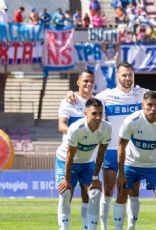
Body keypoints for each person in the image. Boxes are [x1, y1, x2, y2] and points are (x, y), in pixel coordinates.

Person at [67, 61, 149, 230]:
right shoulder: (106, 96)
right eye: (124, 75)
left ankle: (131, 226)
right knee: (109, 188)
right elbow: (87, 103)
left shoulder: (142, 94)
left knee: (131, 190)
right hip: (111, 149)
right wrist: (71, 94)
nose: (128, 78)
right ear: (117, 76)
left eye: (130, 75)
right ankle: (104, 226)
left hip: (134, 151)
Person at [113, 91, 156, 230]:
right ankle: (128, 227)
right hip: (131, 164)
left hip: (154, 166)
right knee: (122, 194)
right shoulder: (132, 120)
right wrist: (121, 173)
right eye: (149, 105)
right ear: (142, 105)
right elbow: (121, 146)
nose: (153, 109)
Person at [56, 98, 112, 230]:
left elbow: (101, 154)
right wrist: (66, 179)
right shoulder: (76, 128)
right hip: (65, 160)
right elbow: (70, 156)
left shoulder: (107, 128)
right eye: (94, 113)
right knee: (65, 193)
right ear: (85, 114)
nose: (98, 117)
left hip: (87, 163)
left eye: (100, 113)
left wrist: (95, 178)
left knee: (95, 193)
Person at [58, 70, 96, 229]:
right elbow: (61, 126)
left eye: (91, 81)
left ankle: (87, 227)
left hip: (88, 158)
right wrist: (78, 135)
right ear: (78, 82)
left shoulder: (98, 102)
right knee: (66, 193)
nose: (88, 84)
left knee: (91, 195)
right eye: (85, 81)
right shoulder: (69, 101)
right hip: (69, 157)